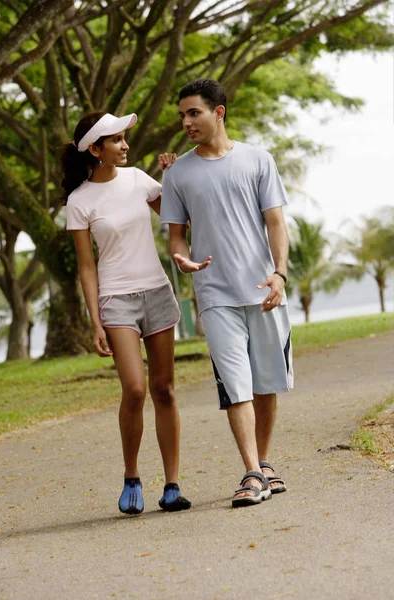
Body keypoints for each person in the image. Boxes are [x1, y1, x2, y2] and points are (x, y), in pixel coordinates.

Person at [159, 79, 293, 508]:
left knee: (265, 382)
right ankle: (252, 472)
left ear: (218, 112)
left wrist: (279, 274)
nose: (186, 122)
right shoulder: (177, 172)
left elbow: (275, 223)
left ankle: (265, 463)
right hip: (214, 295)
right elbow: (176, 236)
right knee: (236, 386)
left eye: (193, 113)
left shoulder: (258, 160)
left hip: (263, 289)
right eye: (181, 115)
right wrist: (181, 257)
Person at [62, 111, 191, 515]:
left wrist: (173, 179)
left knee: (165, 390)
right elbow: (86, 265)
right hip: (116, 299)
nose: (124, 145)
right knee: (135, 389)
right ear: (95, 150)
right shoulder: (79, 201)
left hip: (156, 292)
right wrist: (94, 320)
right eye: (115, 140)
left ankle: (171, 485)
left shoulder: (139, 179)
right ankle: (132, 475)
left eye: (124, 138)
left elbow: (176, 219)